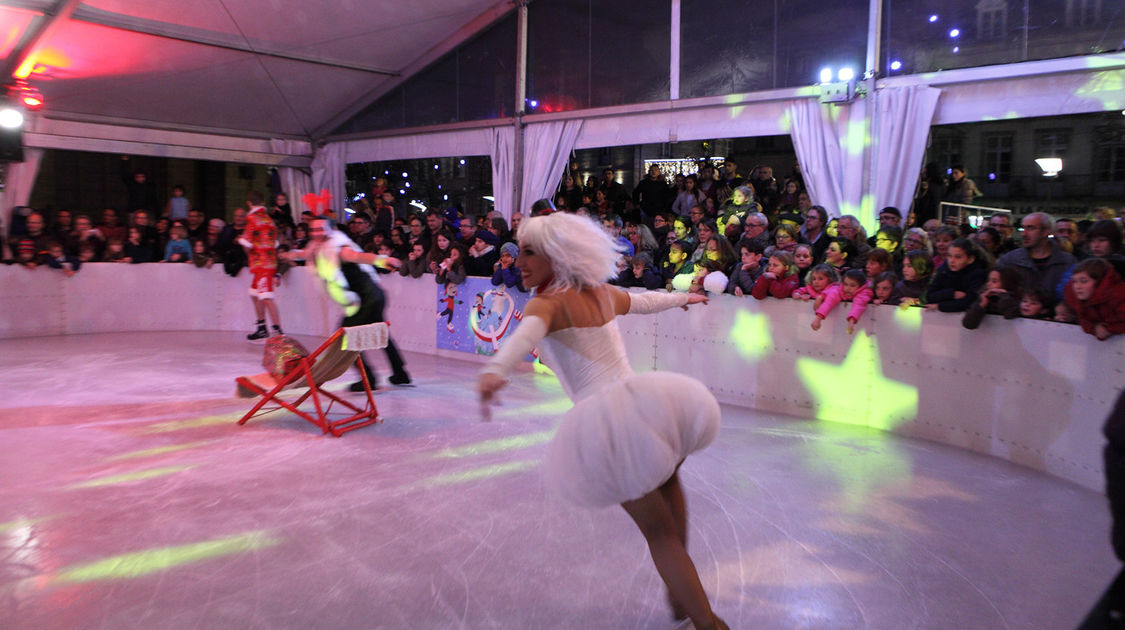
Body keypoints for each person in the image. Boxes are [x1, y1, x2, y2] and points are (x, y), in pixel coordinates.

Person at [476, 212, 726, 630]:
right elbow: (646, 302)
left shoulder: (546, 302)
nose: (520, 261)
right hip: (652, 415)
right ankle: (680, 599)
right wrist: (686, 297)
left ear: (559, 255)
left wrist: (494, 372)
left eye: (531, 252)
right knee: (671, 525)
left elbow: (523, 338)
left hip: (612, 431)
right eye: (520, 251)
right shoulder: (601, 292)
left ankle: (708, 623)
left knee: (661, 536)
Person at [283, 216, 411, 390]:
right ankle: (400, 373)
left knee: (344, 339)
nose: (317, 233)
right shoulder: (317, 247)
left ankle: (368, 379)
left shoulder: (337, 247)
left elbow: (358, 256)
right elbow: (304, 254)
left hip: (367, 299)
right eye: (313, 230)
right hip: (373, 296)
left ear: (332, 230)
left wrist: (381, 260)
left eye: (321, 229)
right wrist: (285, 255)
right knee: (380, 334)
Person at [240, 191, 283, 341]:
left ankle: (278, 330)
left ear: (249, 203)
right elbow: (275, 243)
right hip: (268, 262)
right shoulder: (269, 220)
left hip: (261, 263)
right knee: (255, 294)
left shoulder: (252, 219)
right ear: (263, 203)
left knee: (266, 297)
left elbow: (246, 242)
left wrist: (243, 244)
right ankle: (261, 327)